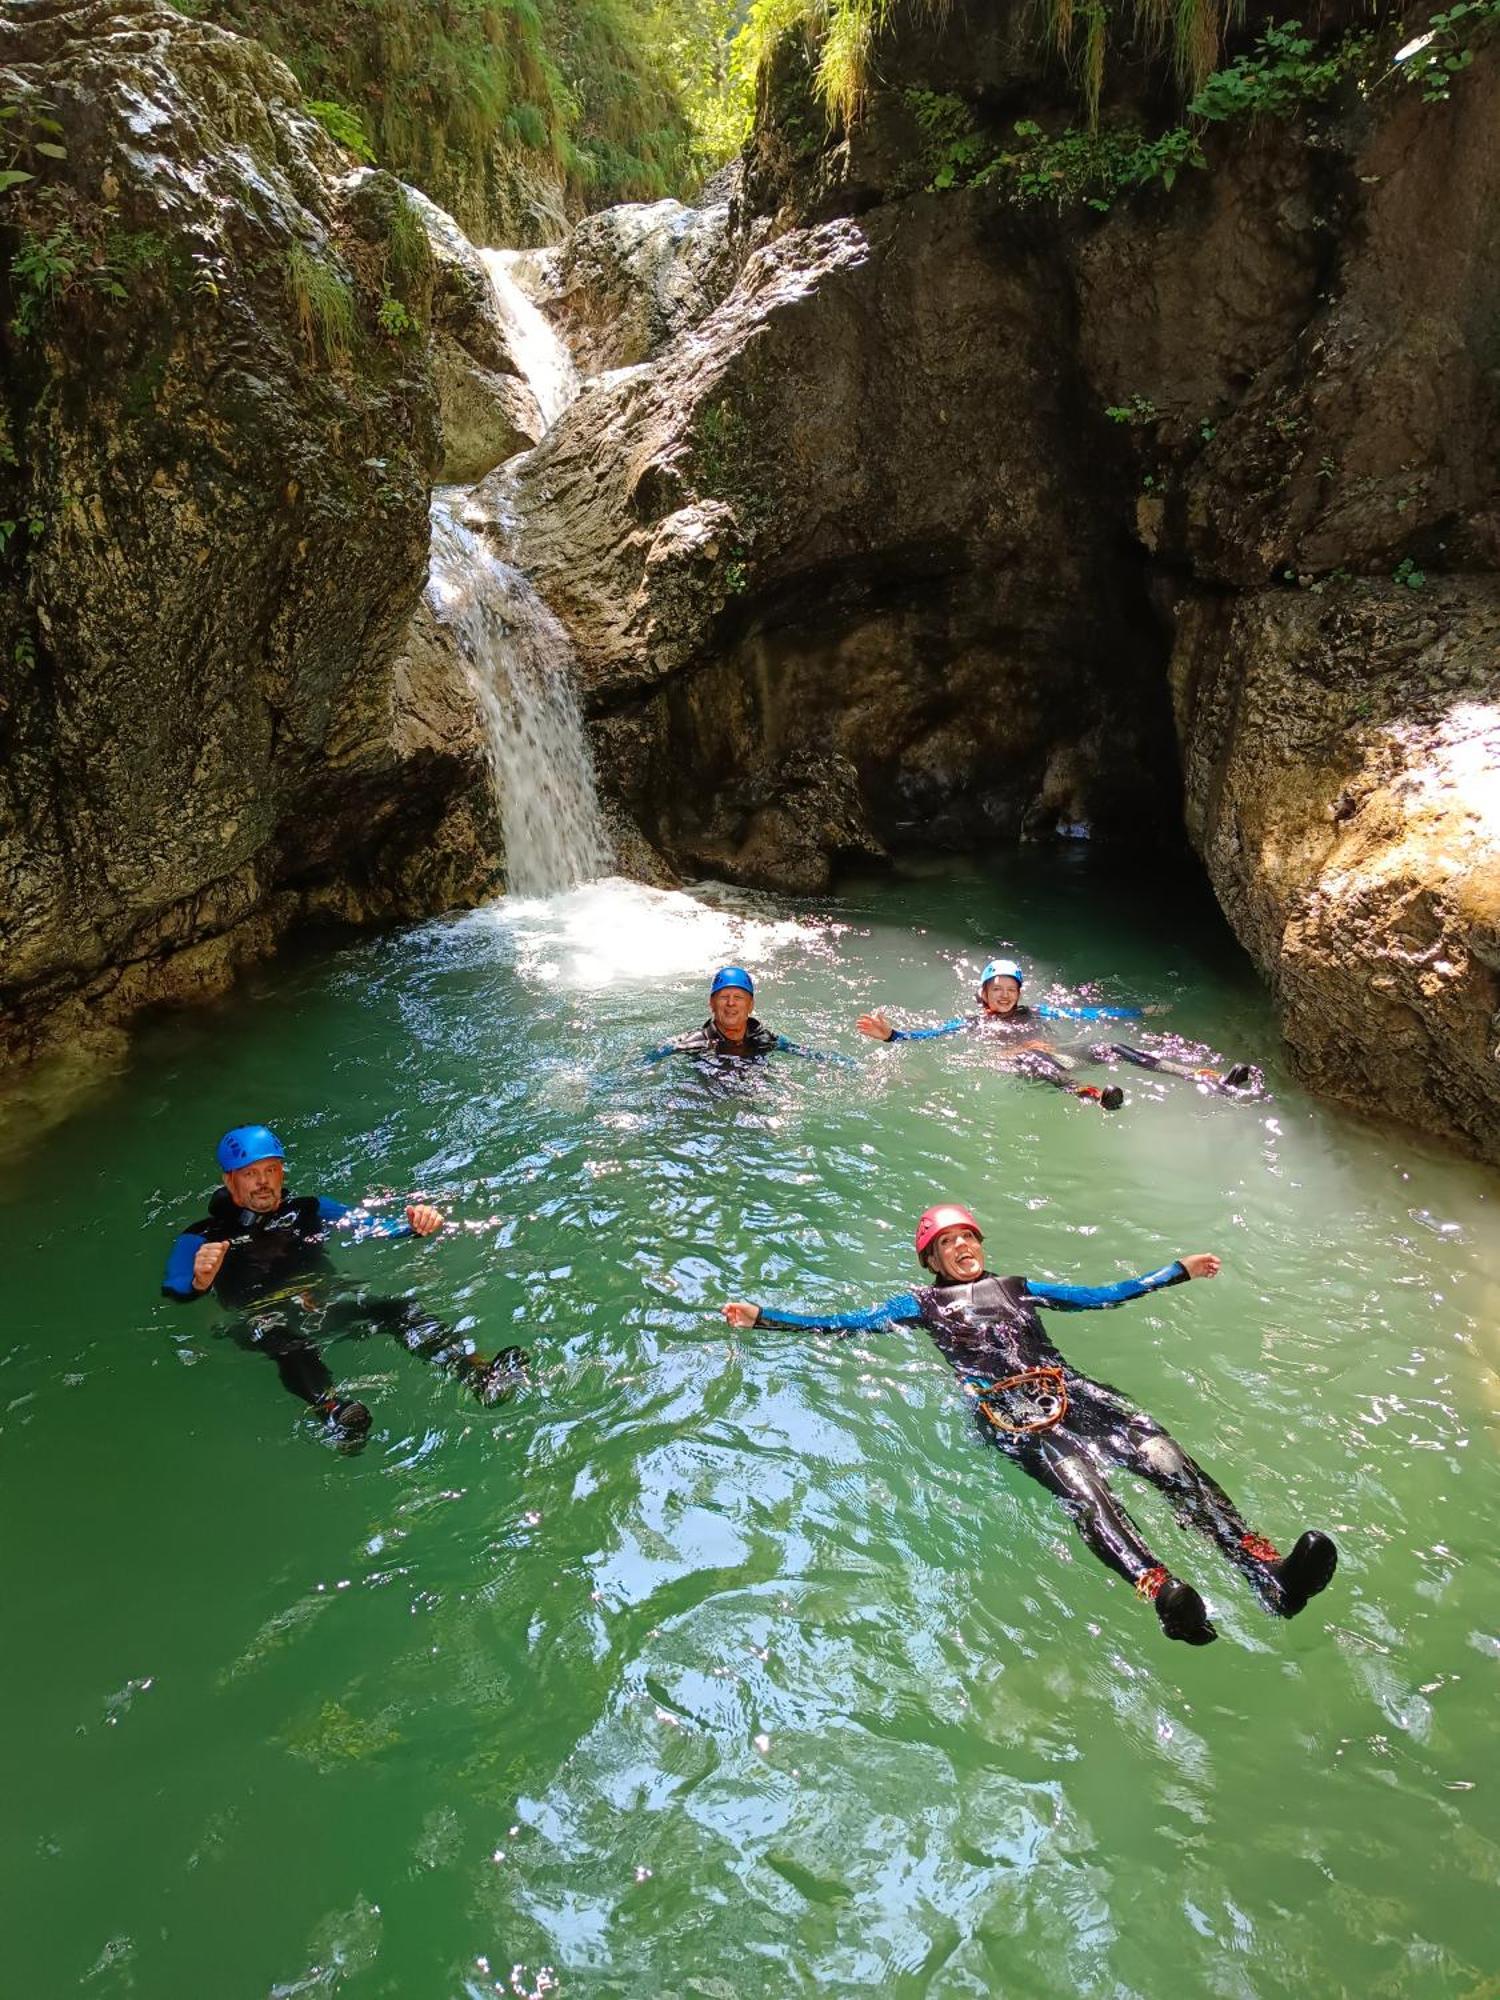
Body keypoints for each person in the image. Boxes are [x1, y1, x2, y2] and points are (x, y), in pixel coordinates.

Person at [720, 1203, 1336, 1645]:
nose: (963, 1248)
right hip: (1010, 1412)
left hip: (1076, 1391)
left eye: (969, 1238)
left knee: (1169, 1463)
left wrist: (1172, 1272)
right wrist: (766, 1316)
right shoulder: (921, 1304)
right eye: (948, 1244)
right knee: (1089, 1493)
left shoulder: (1018, 1287)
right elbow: (842, 1322)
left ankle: (1268, 1573)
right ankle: (1165, 1594)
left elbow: (1099, 1294)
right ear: (931, 1259)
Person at [162, 1125, 526, 1437]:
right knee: (291, 1345)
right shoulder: (202, 1236)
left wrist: (414, 1226)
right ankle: (333, 1413)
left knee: (401, 1309)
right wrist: (199, 1280)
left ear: (282, 1172)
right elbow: (175, 1286)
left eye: (271, 1170)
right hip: (261, 1316)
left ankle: (478, 1375)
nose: (263, 1182)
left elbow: (368, 1225)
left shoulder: (310, 1209)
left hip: (323, 1300)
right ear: (229, 1180)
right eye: (250, 1173)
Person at [857, 956, 1254, 1101]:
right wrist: (892, 1036)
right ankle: (1094, 1096)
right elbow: (930, 1036)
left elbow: (1091, 1014)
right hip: (1019, 1064)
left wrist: (1140, 1011)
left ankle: (1206, 1076)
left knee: (1111, 1045)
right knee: (1032, 1056)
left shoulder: (1035, 1011)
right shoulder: (972, 1021)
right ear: (983, 993)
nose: (1004, 996)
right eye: (996, 990)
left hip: (1054, 1054)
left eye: (1011, 990)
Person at [647, 966, 848, 1065]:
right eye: (724, 996)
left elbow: (805, 1052)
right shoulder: (694, 1043)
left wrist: (843, 1063)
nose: (731, 1003)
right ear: (711, 1004)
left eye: (739, 997)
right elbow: (651, 1057)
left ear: (751, 1005)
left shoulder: (764, 1039)